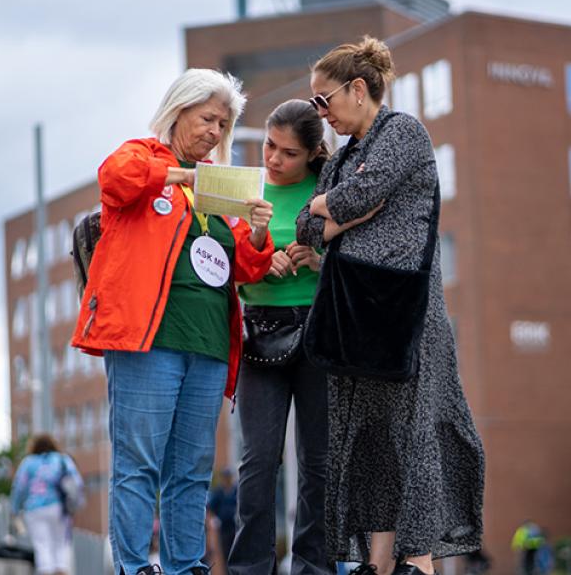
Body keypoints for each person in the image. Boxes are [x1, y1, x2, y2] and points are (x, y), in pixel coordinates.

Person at [70, 68, 276, 575]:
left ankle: (187, 566)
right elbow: (114, 178)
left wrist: (256, 233)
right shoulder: (142, 156)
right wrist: (181, 176)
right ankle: (135, 565)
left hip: (206, 344)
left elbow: (247, 268)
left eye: (223, 125)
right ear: (178, 111)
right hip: (149, 340)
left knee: (191, 469)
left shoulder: (220, 187)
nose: (215, 132)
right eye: (208, 118)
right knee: (138, 461)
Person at [296, 37, 485, 575]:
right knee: (368, 439)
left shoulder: (402, 131)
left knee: (413, 433)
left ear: (358, 89)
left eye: (323, 99)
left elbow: (362, 195)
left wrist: (336, 211)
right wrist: (332, 212)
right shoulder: (344, 160)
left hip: (406, 314)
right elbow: (307, 228)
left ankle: (418, 561)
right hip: (352, 317)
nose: (320, 112)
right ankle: (378, 563)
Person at [227, 99, 332, 575]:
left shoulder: (332, 189)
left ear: (312, 154)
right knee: (258, 461)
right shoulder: (246, 190)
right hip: (259, 331)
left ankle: (313, 567)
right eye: (270, 145)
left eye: (288, 153)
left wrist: (320, 259)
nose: (273, 159)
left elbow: (360, 260)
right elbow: (225, 270)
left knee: (319, 463)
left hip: (319, 331)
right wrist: (257, 256)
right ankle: (251, 568)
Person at [10, 434, 84, 575]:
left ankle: (45, 571)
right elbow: (77, 482)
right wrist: (76, 504)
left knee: (42, 546)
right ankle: (61, 571)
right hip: (59, 508)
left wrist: (14, 509)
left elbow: (19, 487)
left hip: (34, 509)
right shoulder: (63, 460)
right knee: (61, 545)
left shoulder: (29, 462)